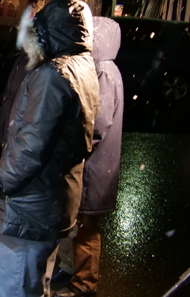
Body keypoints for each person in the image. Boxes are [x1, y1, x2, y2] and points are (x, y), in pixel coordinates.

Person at [0, 0, 99, 297]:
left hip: (34, 202)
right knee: (38, 283)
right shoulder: (83, 66)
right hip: (56, 199)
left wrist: (3, 182)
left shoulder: (53, 74)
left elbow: (31, 145)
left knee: (18, 286)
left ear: (51, 33)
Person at [52, 17, 124, 297]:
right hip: (92, 163)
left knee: (86, 224)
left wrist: (75, 144)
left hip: (95, 166)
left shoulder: (104, 70)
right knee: (76, 217)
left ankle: (84, 283)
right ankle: (71, 269)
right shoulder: (100, 67)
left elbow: (98, 121)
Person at [0, 0, 49, 233]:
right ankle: (6, 226)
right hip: (11, 133)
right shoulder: (25, 56)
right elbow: (12, 94)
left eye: (33, 15)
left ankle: (13, 231)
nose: (26, 21)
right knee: (5, 186)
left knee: (14, 190)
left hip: (21, 140)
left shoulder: (44, 62)